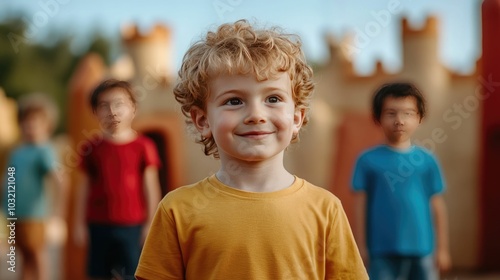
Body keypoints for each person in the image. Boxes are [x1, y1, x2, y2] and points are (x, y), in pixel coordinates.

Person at [135, 20, 368, 280]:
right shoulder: (176, 210)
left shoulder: (326, 209)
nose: (256, 115)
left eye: (273, 99)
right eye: (234, 101)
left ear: (296, 118)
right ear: (202, 120)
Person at [351, 82, 452, 280]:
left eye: (408, 113)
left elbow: (437, 206)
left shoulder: (428, 160)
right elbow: (360, 206)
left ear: (419, 118)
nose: (399, 120)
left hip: (423, 250)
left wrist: (442, 249)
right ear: (378, 118)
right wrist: (361, 247)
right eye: (391, 113)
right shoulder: (366, 160)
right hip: (380, 251)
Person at [74, 79, 161, 280]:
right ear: (95, 112)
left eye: (119, 103)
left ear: (133, 108)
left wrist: (150, 224)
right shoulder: (91, 148)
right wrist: (79, 224)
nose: (112, 111)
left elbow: (151, 187)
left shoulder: (144, 146)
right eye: (104, 106)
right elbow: (83, 188)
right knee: (98, 274)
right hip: (98, 224)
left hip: (132, 226)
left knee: (131, 274)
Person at [1, 93, 65, 280]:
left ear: (47, 125)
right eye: (26, 121)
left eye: (35, 122)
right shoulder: (17, 152)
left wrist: (57, 213)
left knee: (37, 254)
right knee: (23, 256)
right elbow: (8, 180)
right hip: (14, 214)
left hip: (35, 215)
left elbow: (60, 178)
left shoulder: (44, 150)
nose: (30, 126)